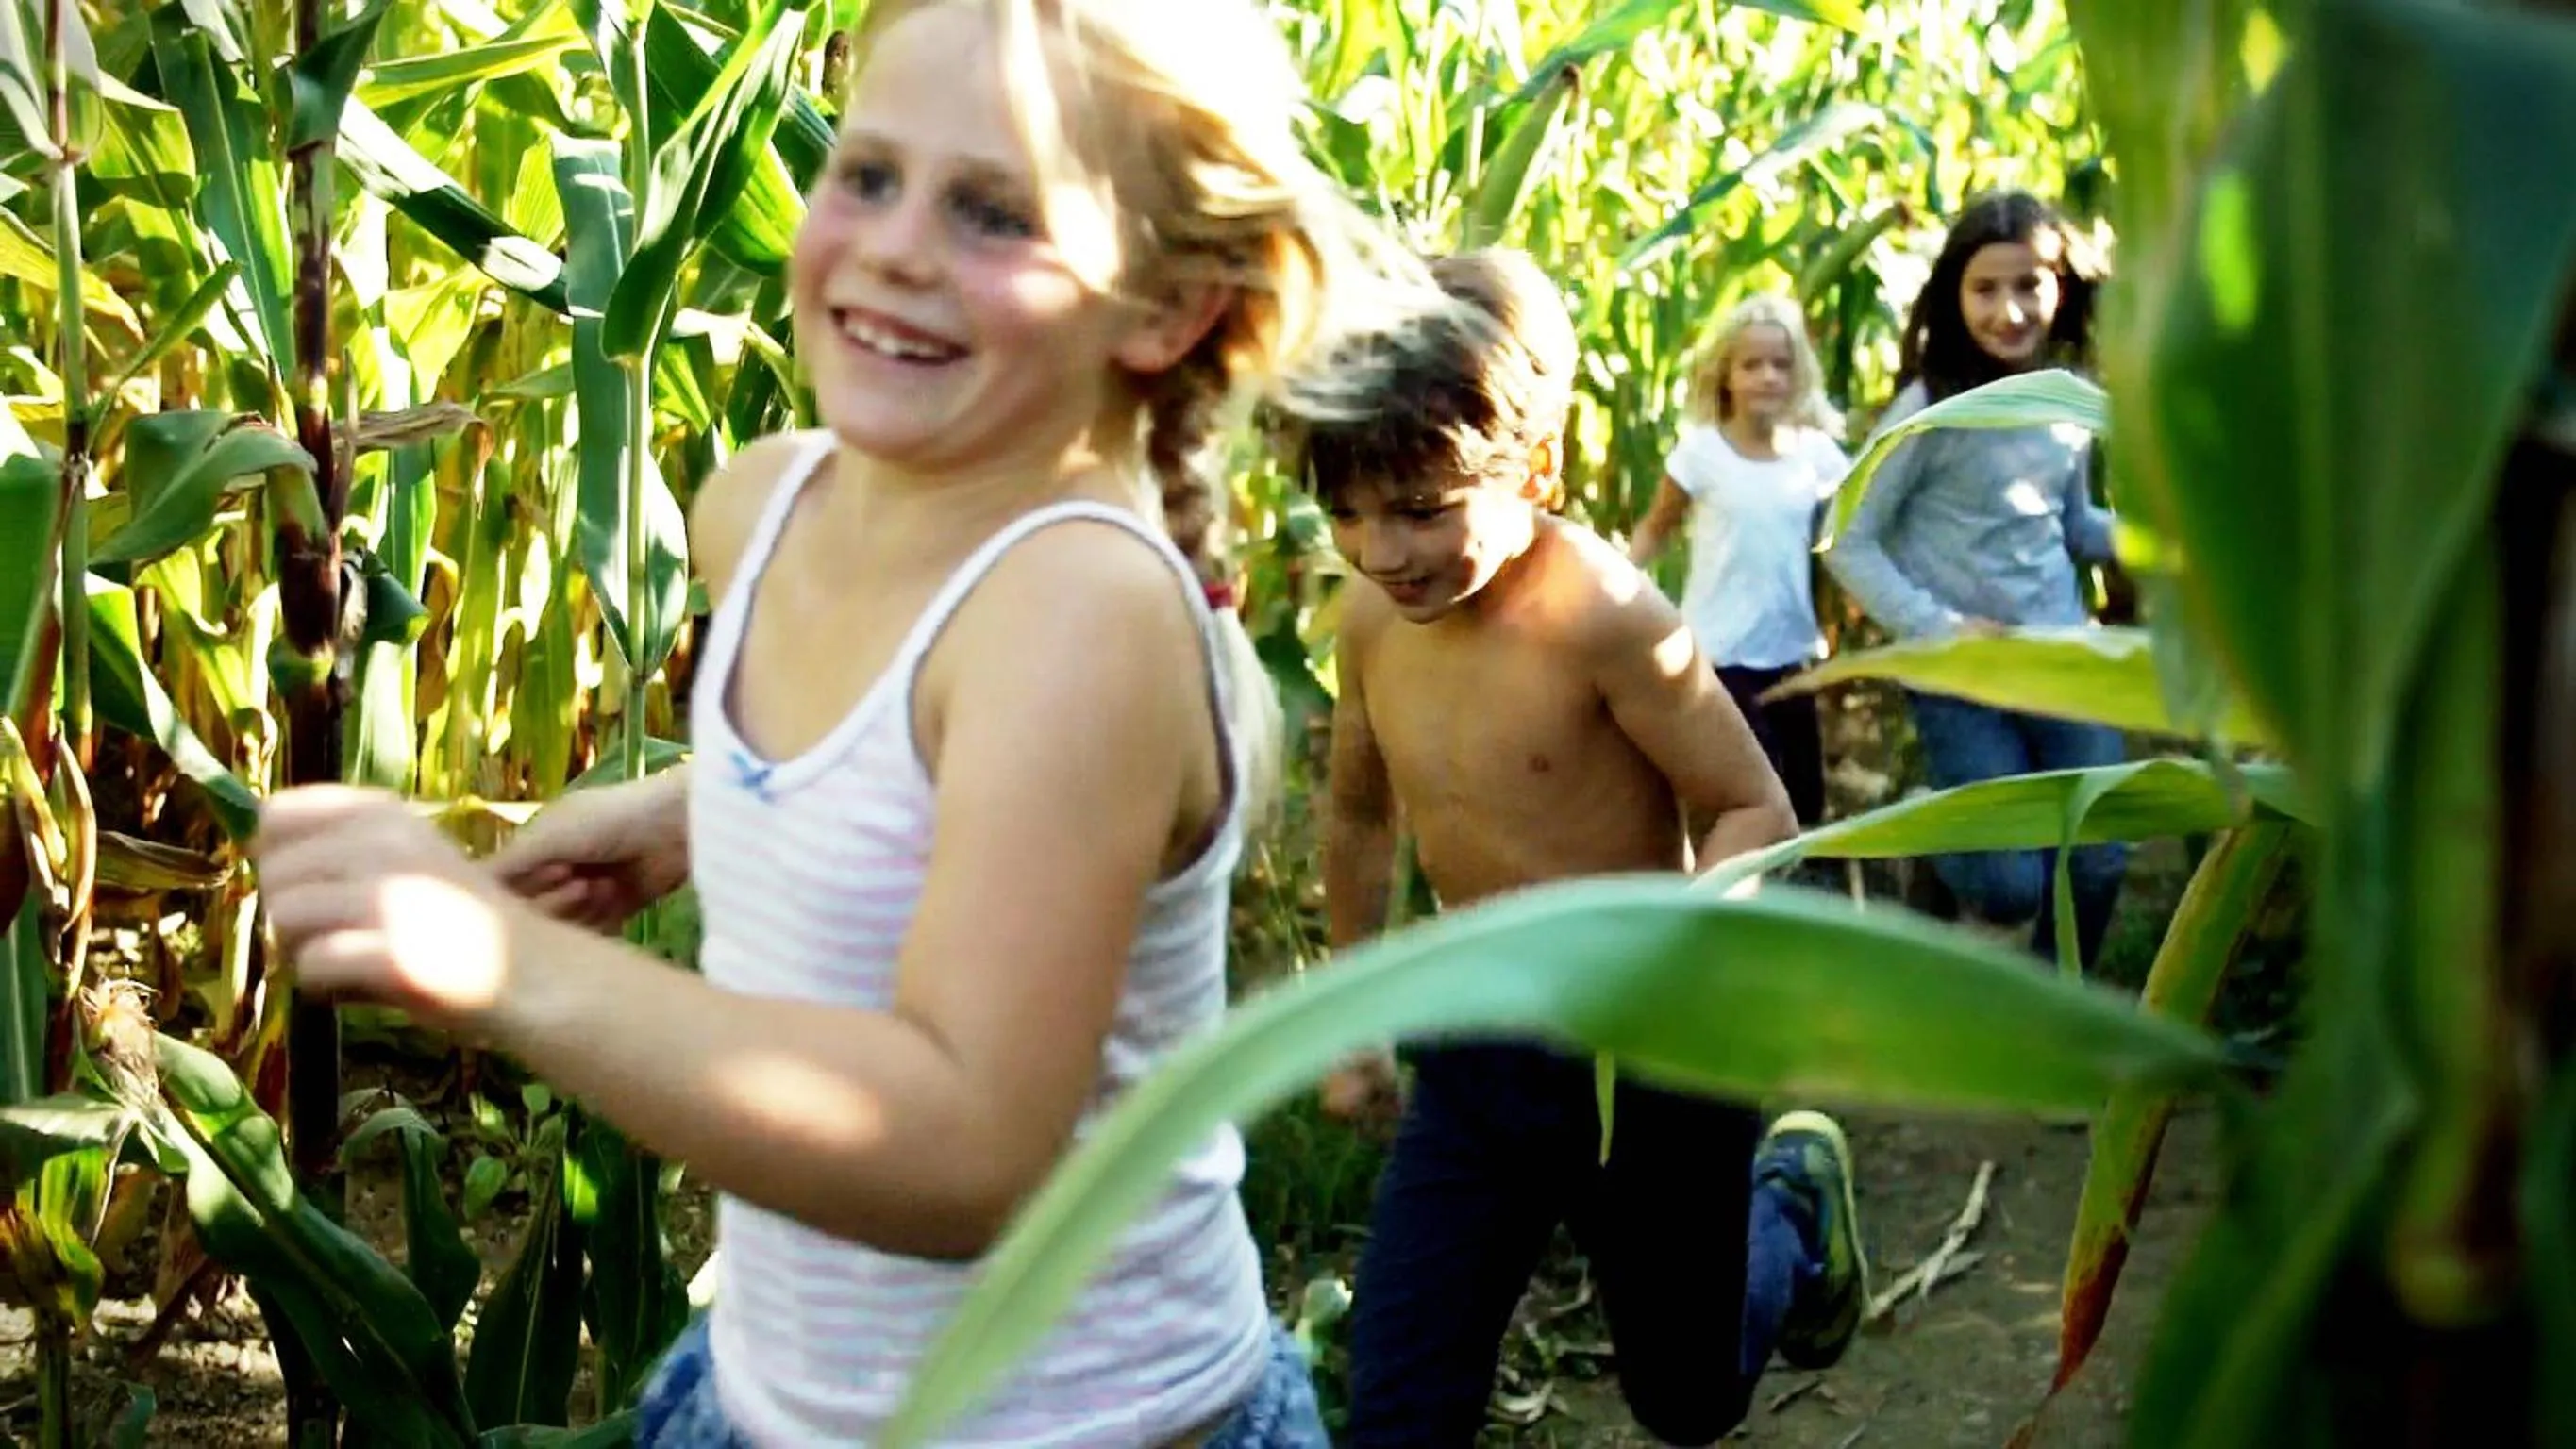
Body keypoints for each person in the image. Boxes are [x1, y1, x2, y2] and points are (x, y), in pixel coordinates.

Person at [248, 1, 1464, 1442]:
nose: (894, 245)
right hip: (773, 1389)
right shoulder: (763, 508)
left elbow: (959, 1151)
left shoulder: (1078, 614)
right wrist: (704, 807)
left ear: (1168, 308)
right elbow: (915, 760)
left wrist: (499, 964)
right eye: (867, 174)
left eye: (993, 211)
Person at [1299, 248, 1867, 1447]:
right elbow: (1359, 814)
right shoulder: (1369, 622)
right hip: (1480, 1047)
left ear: (1535, 471)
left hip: (1651, 1052)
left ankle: (1791, 1207)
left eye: (1422, 508)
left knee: (1689, 1400)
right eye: (1347, 511)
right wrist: (1351, 1012)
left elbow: (1752, 808)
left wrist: (1682, 949)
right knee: (1400, 1407)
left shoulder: (1608, 618)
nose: (1382, 550)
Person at [1822, 189, 2128, 968]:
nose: (2009, 310)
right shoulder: (1929, 413)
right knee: (2008, 884)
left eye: (2029, 285)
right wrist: (1941, 629)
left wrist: (2156, 546)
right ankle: (1933, 835)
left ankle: (2052, 1015)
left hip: (2058, 659)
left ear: (2063, 288)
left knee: (2099, 860)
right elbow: (1847, 541)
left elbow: (2071, 529)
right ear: (1952, 297)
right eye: (1985, 289)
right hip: (1960, 672)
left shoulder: (2067, 402)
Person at [1627, 293, 1851, 828]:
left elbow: (1857, 530)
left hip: (1789, 648)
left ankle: (1794, 896)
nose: (1767, 377)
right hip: (1719, 653)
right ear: (1725, 375)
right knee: (1750, 792)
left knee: (1804, 798)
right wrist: (1616, 584)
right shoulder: (1701, 454)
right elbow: (1656, 529)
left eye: (1781, 365)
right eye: (1752, 365)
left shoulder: (1818, 456)